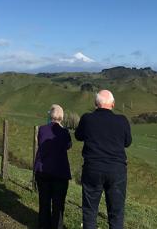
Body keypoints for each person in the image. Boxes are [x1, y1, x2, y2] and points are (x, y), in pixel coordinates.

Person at [75, 90, 132, 229]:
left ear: (96, 104)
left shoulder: (87, 119)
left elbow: (78, 136)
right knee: (116, 213)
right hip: (117, 170)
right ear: (113, 104)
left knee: (90, 211)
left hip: (92, 169)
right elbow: (127, 142)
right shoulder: (122, 120)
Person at [34, 104, 72, 229]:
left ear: (50, 115)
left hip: (43, 172)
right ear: (62, 117)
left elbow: (40, 142)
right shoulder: (65, 132)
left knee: (44, 201)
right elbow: (68, 146)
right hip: (60, 172)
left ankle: (43, 225)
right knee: (58, 204)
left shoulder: (42, 129)